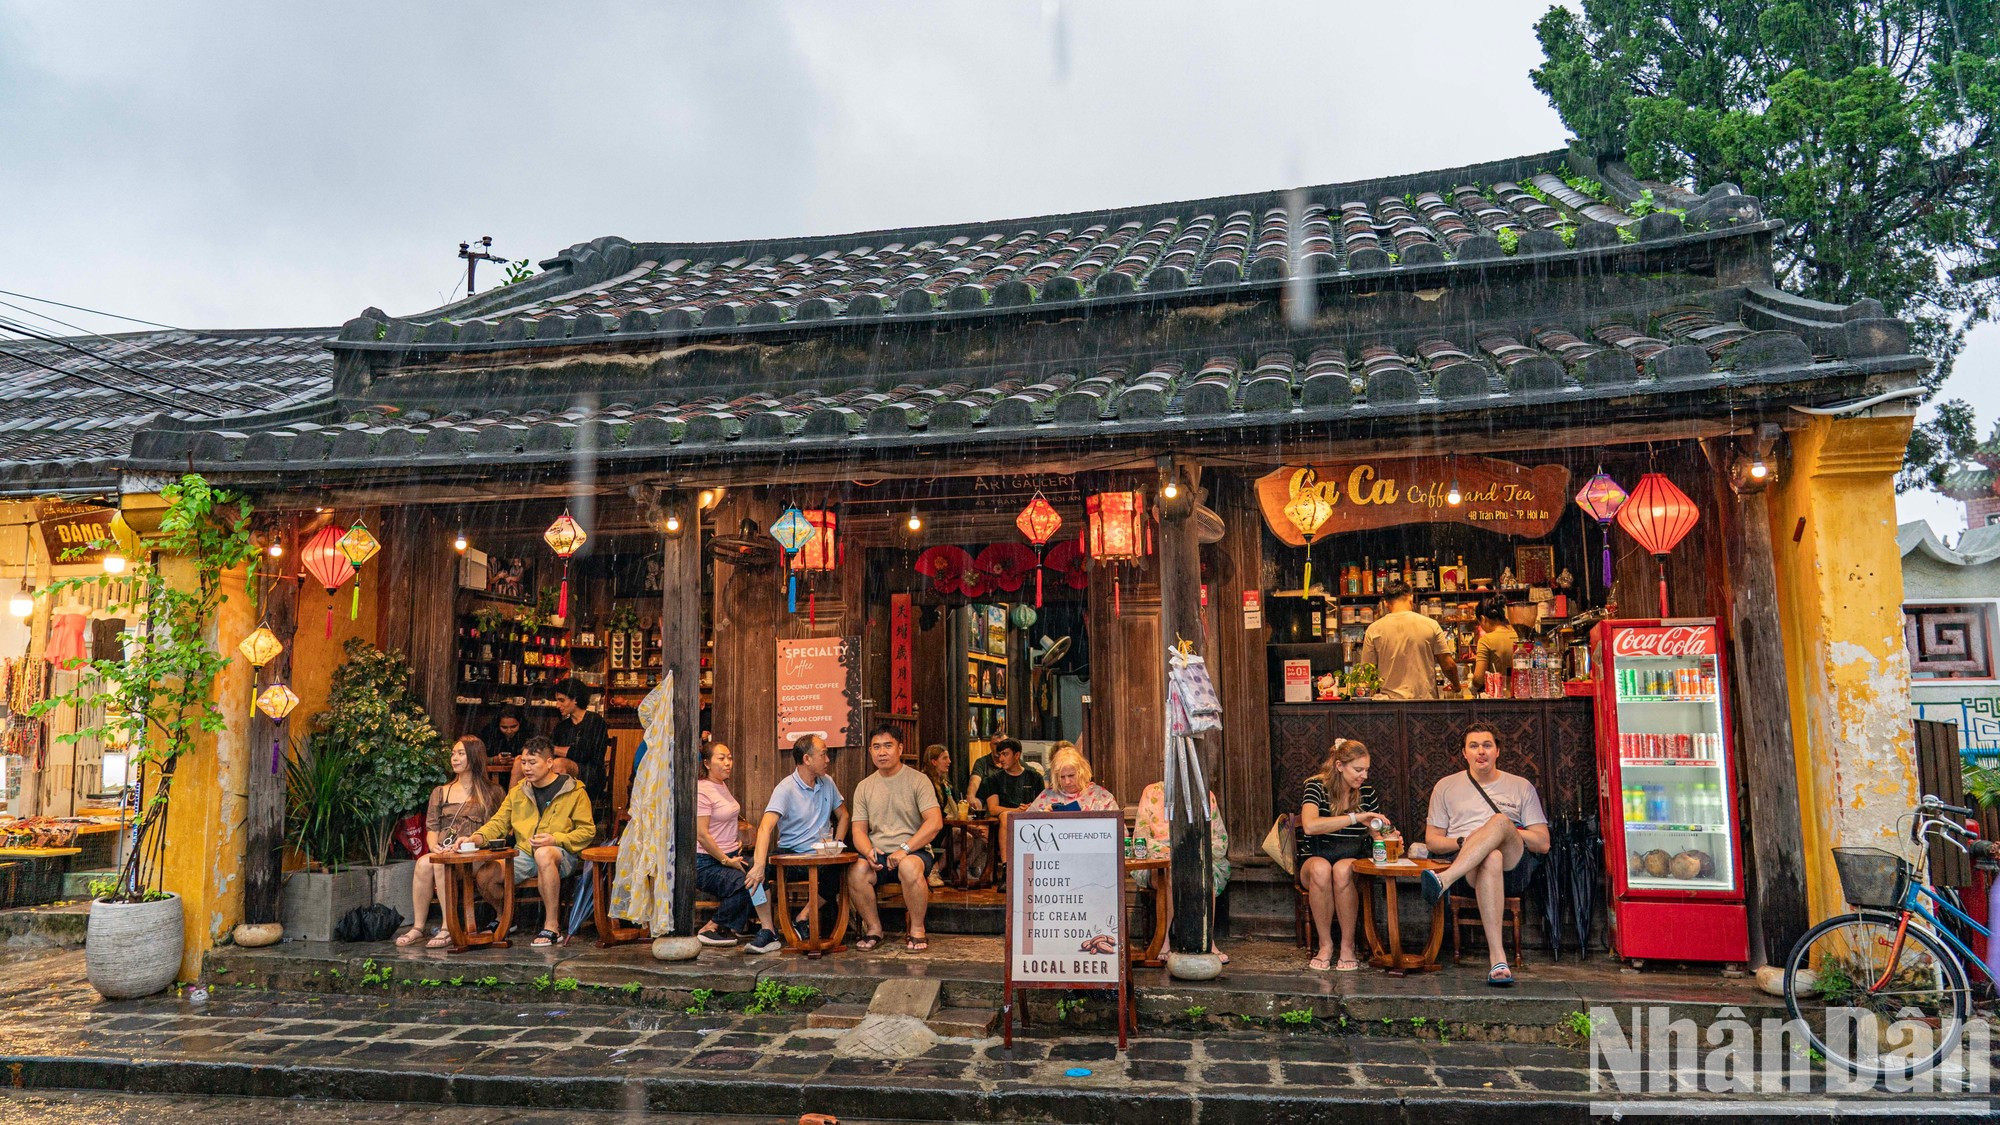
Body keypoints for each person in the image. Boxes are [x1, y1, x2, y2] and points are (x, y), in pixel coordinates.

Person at [1420, 726, 1552, 987]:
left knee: (1501, 821)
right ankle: (1498, 958)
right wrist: (1466, 840)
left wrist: (1498, 832)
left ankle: (1443, 881)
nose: (1481, 751)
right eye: (1473, 745)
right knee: (1490, 856)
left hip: (1514, 866)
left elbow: (1543, 842)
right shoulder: (1446, 786)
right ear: (1464, 753)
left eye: (1487, 745)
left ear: (1498, 751)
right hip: (1469, 866)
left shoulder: (1520, 786)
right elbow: (1432, 840)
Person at [467, 738, 595, 948]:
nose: (526, 768)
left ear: (549, 762)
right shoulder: (519, 791)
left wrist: (555, 839)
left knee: (544, 853)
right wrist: (475, 838)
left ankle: (552, 926)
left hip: (561, 853)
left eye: (533, 762)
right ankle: (505, 917)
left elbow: (587, 831)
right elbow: (498, 823)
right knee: (485, 874)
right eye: (524, 762)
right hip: (524, 853)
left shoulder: (574, 791)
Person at [742, 734, 849, 955]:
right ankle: (768, 930)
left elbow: (844, 815)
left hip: (821, 855)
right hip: (791, 854)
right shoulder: (786, 788)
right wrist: (760, 865)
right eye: (823, 754)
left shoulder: (827, 782)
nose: (828, 759)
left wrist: (836, 843)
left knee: (840, 868)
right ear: (807, 759)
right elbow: (765, 827)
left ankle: (803, 917)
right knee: (754, 869)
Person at [398, 735, 505, 948]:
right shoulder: (440, 792)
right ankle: (418, 927)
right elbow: (432, 827)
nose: (454, 758)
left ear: (474, 757)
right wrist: (433, 845)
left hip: (473, 856)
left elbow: (496, 830)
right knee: (424, 863)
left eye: (461, 753)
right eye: (453, 753)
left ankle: (448, 927)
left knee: (441, 864)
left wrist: (471, 844)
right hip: (445, 851)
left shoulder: (491, 792)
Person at [847, 725, 944, 953]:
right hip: (879, 853)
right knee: (856, 871)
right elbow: (859, 830)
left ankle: (918, 930)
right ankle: (874, 929)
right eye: (876, 747)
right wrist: (868, 851)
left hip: (914, 851)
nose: (882, 752)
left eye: (888, 746)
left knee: (909, 867)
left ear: (900, 748)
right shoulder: (864, 787)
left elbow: (934, 822)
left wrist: (905, 849)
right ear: (870, 751)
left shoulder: (918, 780)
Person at [1297, 739, 1388, 971]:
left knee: (1341, 869)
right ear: (1339, 766)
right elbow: (1309, 825)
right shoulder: (1315, 786)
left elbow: (1377, 832)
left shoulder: (1366, 793)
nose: (1364, 776)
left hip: (1351, 859)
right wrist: (1355, 817)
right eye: (1358, 770)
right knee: (1321, 868)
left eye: (1366, 770)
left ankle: (1347, 946)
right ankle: (1325, 945)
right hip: (1315, 857)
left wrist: (1387, 835)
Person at [1132, 779, 1231, 963]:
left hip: (1196, 857)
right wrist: (1171, 855)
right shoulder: (1151, 792)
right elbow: (1141, 837)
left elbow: (1219, 839)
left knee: (1204, 874)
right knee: (1171, 873)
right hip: (1160, 862)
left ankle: (1208, 941)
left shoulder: (1205, 794)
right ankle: (1164, 941)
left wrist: (1192, 854)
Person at [693, 742, 754, 947]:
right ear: (707, 763)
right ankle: (711, 927)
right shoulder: (702, 790)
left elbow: (723, 822)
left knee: (762, 870)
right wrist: (726, 860)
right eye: (721, 758)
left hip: (727, 855)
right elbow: (702, 835)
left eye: (729, 757)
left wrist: (733, 840)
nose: (728, 763)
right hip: (705, 862)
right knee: (744, 884)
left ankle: (740, 924)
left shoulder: (721, 784)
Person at [1359, 579, 1459, 699]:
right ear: (1411, 598)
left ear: (1385, 603)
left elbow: (1367, 673)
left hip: (1389, 706)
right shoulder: (1431, 625)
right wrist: (1457, 686)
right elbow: (1448, 665)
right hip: (1424, 703)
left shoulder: (1374, 629)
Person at [550, 679, 610, 809]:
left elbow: (586, 754)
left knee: (559, 764)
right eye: (557, 700)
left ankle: (557, 813)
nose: (557, 705)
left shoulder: (596, 721)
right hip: (564, 770)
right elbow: (550, 750)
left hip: (591, 774)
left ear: (575, 699)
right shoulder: (562, 726)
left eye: (562, 700)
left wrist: (555, 749)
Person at [1027, 745, 1119, 812]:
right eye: (1062, 777)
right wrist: (1042, 819)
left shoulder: (1101, 797)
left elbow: (1119, 832)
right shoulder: (1046, 797)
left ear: (1082, 772)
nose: (1067, 782)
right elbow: (1027, 829)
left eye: (1071, 776)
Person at [980, 738, 1045, 816]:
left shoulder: (1035, 777)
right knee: (1005, 816)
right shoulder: (993, 779)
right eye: (999, 754)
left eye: (1005, 754)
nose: (1001, 759)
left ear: (1017, 755)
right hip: (1003, 819)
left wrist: (1030, 807)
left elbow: (1042, 804)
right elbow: (993, 809)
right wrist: (1017, 811)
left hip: (1030, 817)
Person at [1470, 596, 1518, 694]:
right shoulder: (1519, 634)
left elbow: (1479, 678)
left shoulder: (1486, 640)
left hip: (1498, 697)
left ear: (1483, 619)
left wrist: (1472, 687)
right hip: (1521, 694)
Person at [922, 744, 959, 812]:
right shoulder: (925, 782)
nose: (949, 761)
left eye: (948, 758)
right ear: (934, 762)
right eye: (945, 758)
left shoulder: (945, 782)